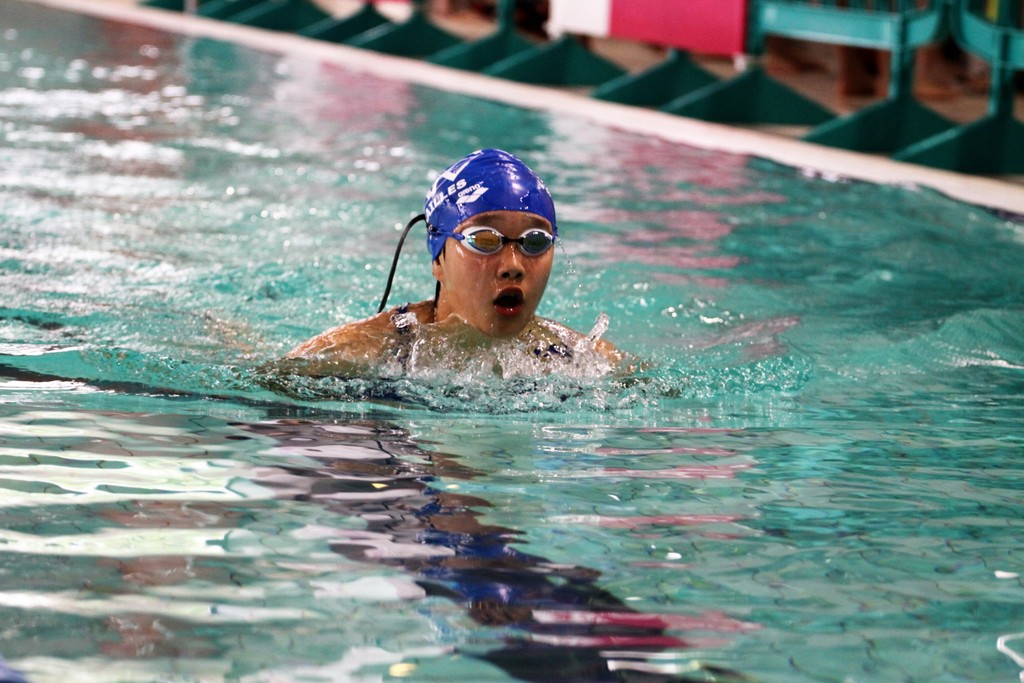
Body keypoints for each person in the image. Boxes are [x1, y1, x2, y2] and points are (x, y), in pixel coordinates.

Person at [284, 148, 624, 376]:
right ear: (438, 259)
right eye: (485, 240)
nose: (513, 265)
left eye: (534, 242)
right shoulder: (360, 351)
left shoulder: (583, 359)